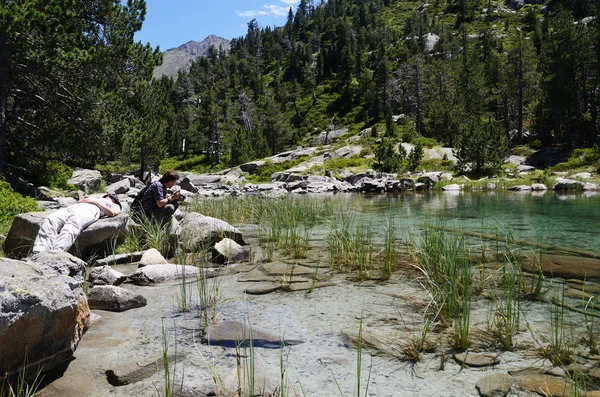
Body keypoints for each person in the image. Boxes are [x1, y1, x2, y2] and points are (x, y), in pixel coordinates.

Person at [32, 193, 122, 254]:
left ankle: (56, 252)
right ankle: (39, 251)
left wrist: (95, 201)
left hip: (91, 210)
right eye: (109, 195)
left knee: (71, 226)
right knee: (50, 219)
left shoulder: (115, 205)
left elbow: (112, 213)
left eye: (112, 196)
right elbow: (79, 202)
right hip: (74, 207)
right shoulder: (97, 198)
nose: (110, 196)